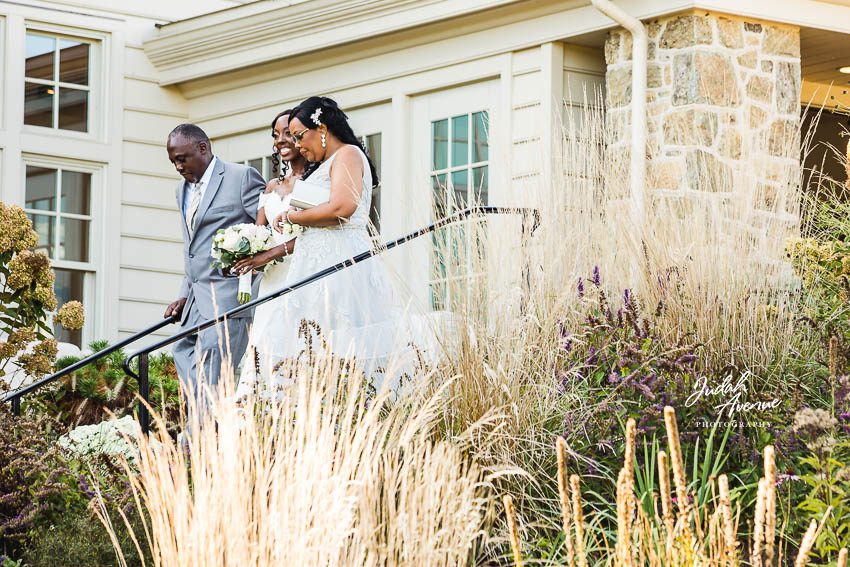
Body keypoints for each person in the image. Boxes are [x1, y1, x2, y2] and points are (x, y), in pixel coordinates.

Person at [257, 96, 440, 394]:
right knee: (308, 345)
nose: (299, 145)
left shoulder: (349, 155)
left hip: (340, 262)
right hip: (312, 264)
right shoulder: (324, 164)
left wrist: (294, 215)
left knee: (343, 337)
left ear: (323, 129)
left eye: (301, 136)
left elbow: (343, 206)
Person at [163, 123, 265, 415]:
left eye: (182, 158)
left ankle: (197, 443)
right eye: (173, 161)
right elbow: (192, 248)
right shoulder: (180, 190)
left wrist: (247, 263)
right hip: (194, 300)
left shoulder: (240, 178)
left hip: (229, 297)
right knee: (182, 354)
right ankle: (206, 426)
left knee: (213, 378)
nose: (178, 166)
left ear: (203, 148)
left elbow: (265, 229)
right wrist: (184, 293)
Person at [231, 110, 309, 397]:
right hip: (271, 282)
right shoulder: (271, 188)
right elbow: (258, 235)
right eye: (275, 135)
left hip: (302, 273)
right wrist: (239, 250)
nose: (280, 140)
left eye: (288, 133)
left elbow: (314, 237)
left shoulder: (315, 185)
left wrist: (268, 254)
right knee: (266, 348)